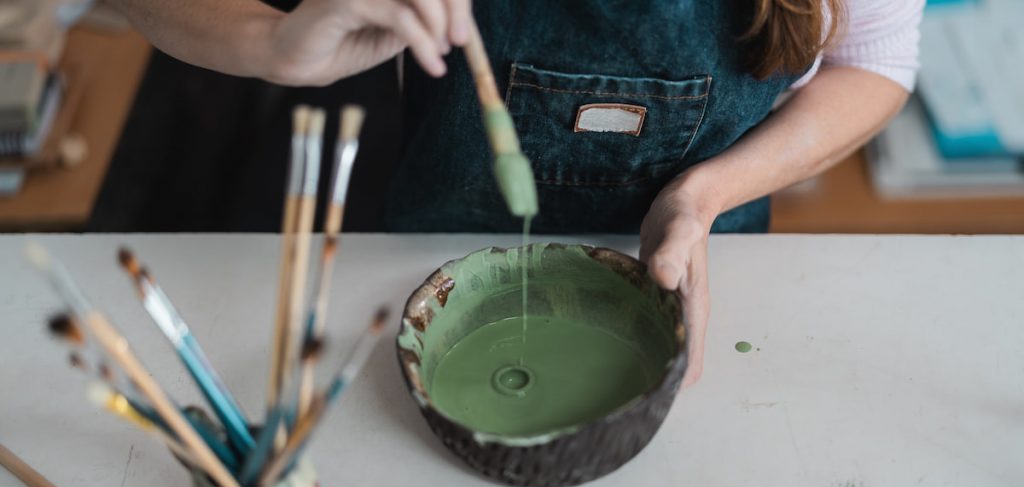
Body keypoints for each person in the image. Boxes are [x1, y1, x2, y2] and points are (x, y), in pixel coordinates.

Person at [107, 0, 924, 387]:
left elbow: (877, 60)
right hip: (420, 282)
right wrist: (275, 44)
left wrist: (703, 196)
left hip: (712, 283)